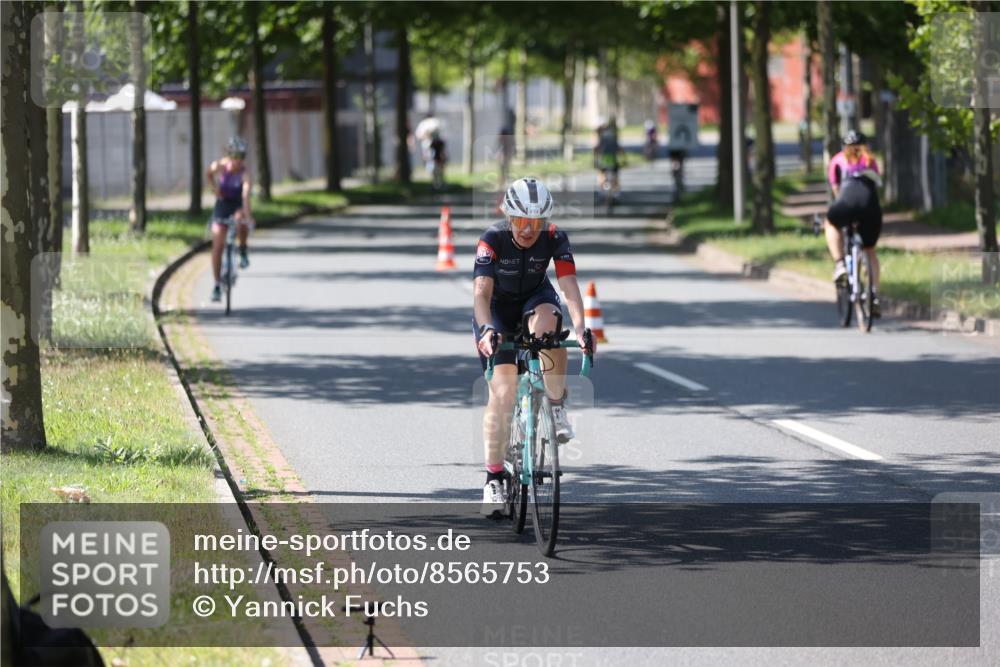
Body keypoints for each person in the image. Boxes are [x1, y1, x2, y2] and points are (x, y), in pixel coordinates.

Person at [472, 177, 594, 517]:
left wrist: (582, 328)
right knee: (504, 392)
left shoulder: (555, 238)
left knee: (550, 329)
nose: (529, 229)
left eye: (536, 223)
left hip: (535, 300)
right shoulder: (492, 240)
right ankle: (493, 478)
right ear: (510, 217)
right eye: (522, 221)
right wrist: (486, 330)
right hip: (496, 310)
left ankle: (555, 406)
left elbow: (569, 286)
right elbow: (481, 294)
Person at [824, 130, 884, 317]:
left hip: (847, 201)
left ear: (844, 146)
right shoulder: (870, 160)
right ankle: (874, 294)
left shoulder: (837, 160)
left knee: (830, 223)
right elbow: (875, 185)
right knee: (870, 250)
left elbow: (836, 191)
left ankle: (840, 263)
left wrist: (844, 213)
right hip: (870, 205)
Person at [207, 136, 253, 302]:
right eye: (235, 156)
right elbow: (208, 173)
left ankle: (242, 249)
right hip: (222, 204)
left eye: (241, 157)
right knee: (218, 243)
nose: (238, 160)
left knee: (241, 220)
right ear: (230, 155)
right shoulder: (220, 165)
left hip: (237, 205)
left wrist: (248, 217)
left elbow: (246, 195)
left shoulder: (245, 174)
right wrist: (214, 189)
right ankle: (217, 285)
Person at [593, 117, 623, 197]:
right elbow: (619, 149)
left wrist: (594, 160)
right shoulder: (612, 136)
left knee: (601, 174)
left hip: (604, 161)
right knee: (615, 175)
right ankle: (617, 192)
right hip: (612, 160)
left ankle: (602, 191)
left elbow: (596, 149)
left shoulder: (601, 136)